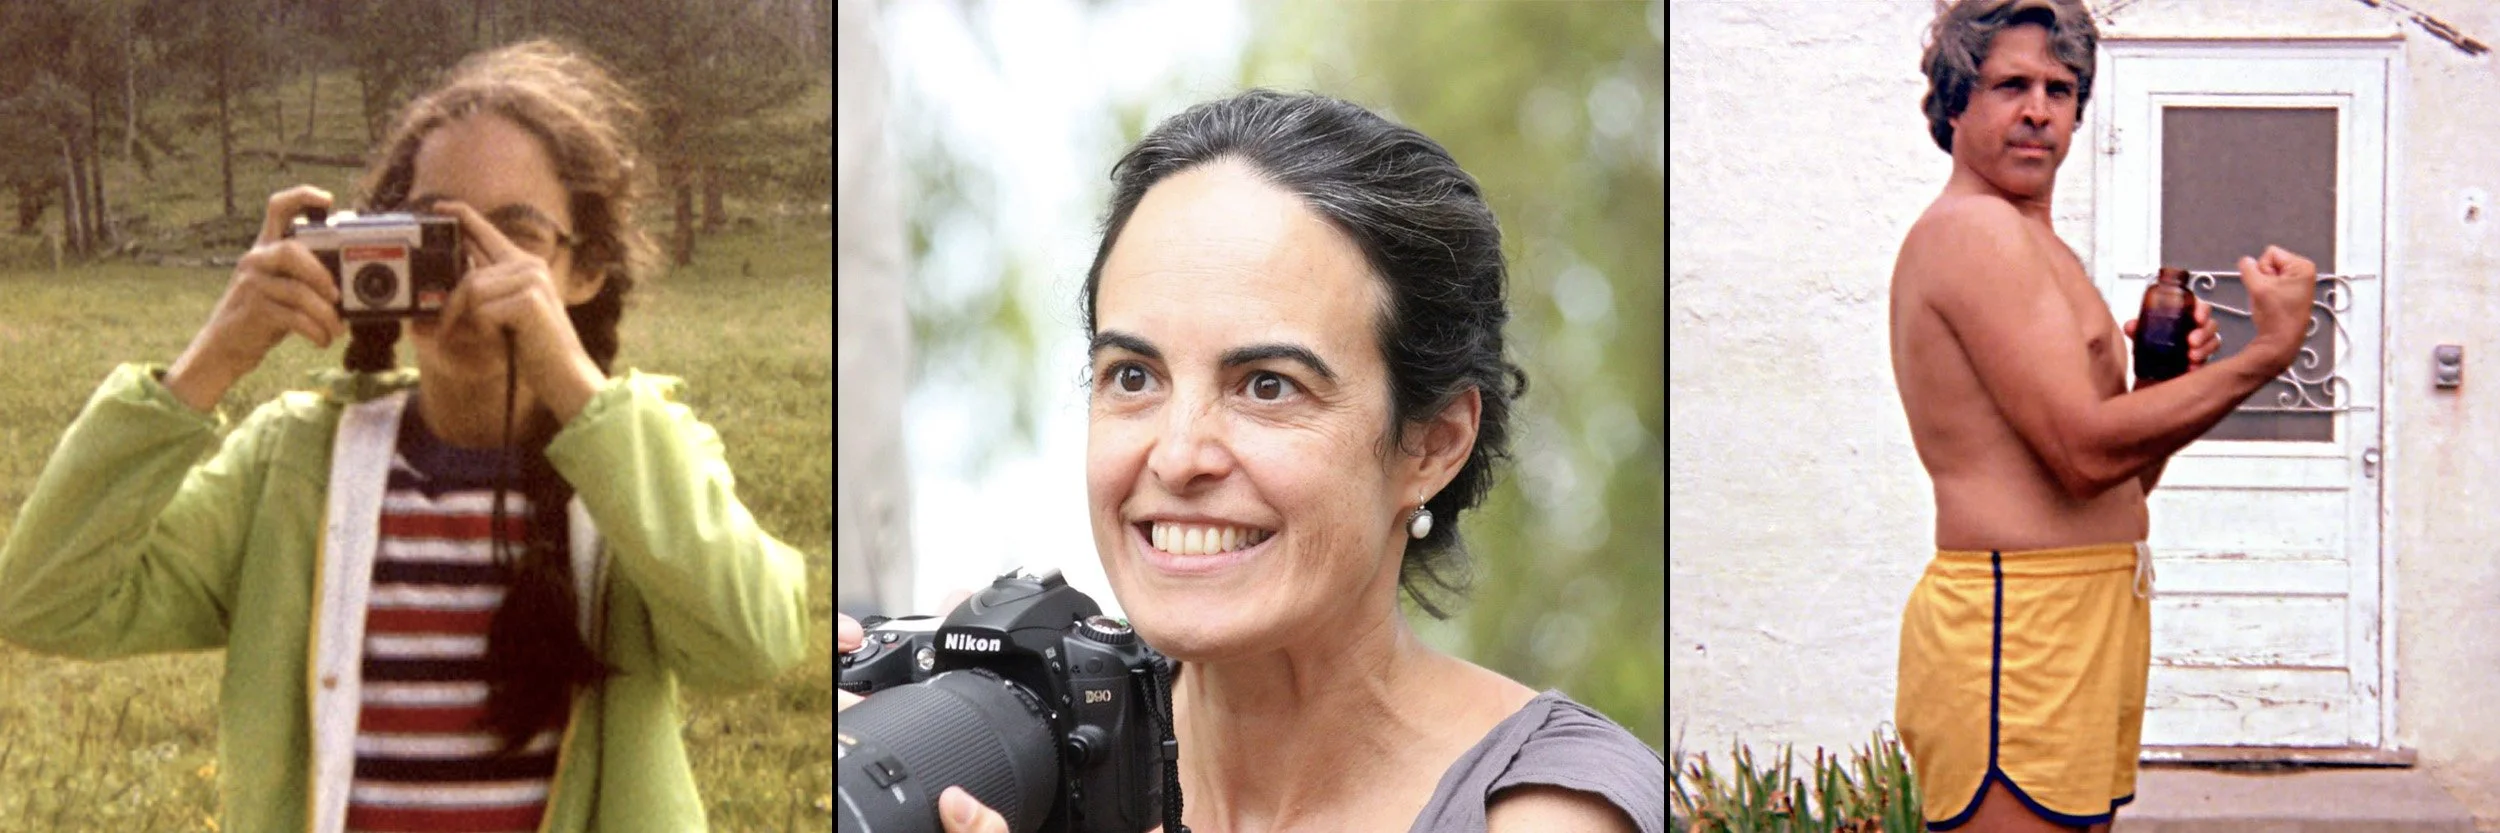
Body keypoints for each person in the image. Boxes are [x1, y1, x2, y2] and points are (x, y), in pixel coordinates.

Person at [0, 40, 809, 832]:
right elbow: (44, 601)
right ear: (372, 249)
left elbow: (755, 644)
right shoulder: (297, 466)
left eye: (515, 236)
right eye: (435, 234)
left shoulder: (639, 462)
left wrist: (571, 382)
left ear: (586, 270)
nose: (468, 273)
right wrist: (212, 360)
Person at [837, 89, 1664, 832]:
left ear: (1433, 444)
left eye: (1267, 385)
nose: (1179, 452)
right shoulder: (1017, 760)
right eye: (1134, 376)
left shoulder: (1542, 811)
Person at [1888, 1, 2319, 830]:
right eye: (2011, 84)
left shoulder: (2039, 246)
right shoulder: (1972, 232)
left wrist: (2161, 382)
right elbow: (2084, 455)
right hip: (2019, 618)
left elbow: (2118, 479)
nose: (2039, 110)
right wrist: (2267, 355)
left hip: (2084, 605)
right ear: (1954, 102)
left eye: (2061, 88)